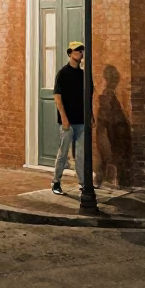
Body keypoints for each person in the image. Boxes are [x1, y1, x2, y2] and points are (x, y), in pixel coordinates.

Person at [51, 41, 86, 196]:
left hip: (81, 120)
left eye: (81, 50)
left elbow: (87, 97)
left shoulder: (82, 74)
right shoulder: (63, 73)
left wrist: (90, 115)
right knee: (63, 153)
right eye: (77, 50)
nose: (80, 53)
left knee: (80, 154)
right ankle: (56, 182)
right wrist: (64, 118)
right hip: (68, 121)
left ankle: (84, 183)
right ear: (70, 53)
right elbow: (57, 97)